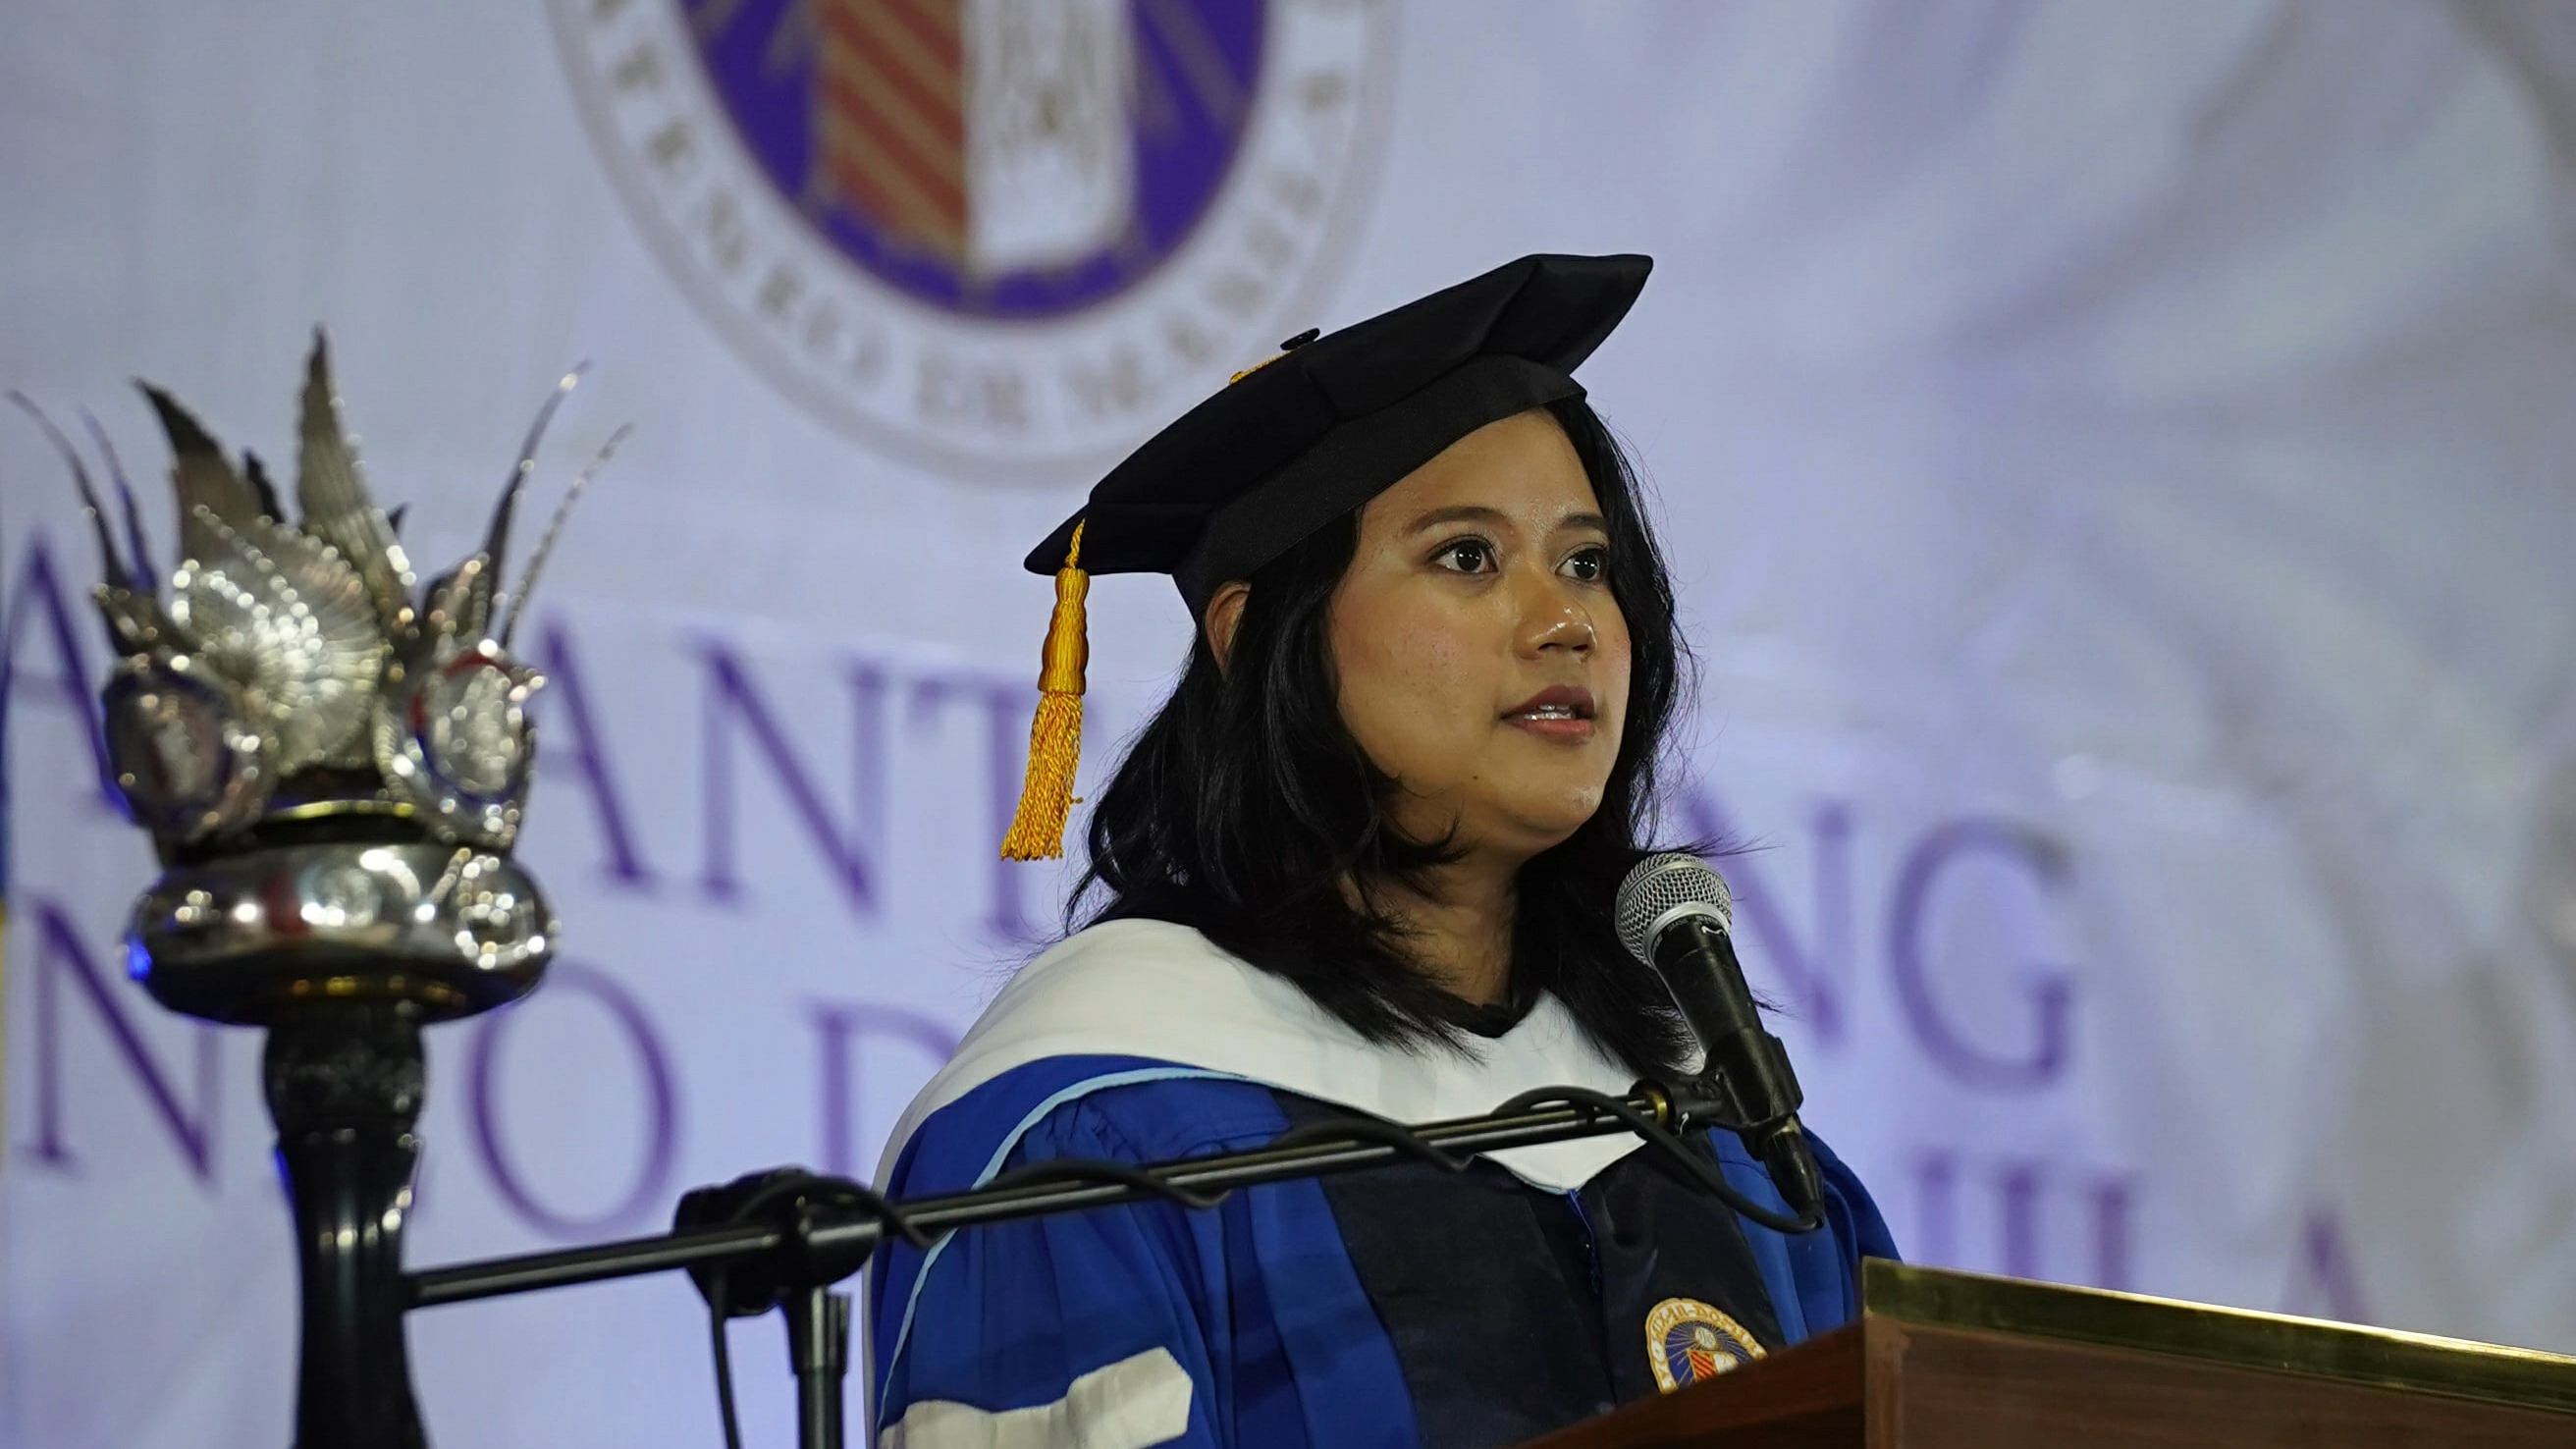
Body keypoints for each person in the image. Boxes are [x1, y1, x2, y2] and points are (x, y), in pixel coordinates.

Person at [869, 254, 1896, 1449]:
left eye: (1586, 562)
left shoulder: (1737, 1153)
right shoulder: (1095, 1130)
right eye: (1466, 556)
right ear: (1261, 638)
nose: (1565, 619)